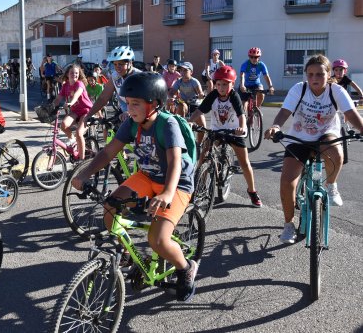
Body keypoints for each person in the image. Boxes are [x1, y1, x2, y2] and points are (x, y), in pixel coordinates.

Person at [72, 72, 198, 302]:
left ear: (155, 103)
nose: (130, 109)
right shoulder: (132, 124)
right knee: (110, 209)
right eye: (128, 103)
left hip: (176, 182)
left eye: (136, 104)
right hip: (148, 176)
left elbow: (175, 163)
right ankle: (131, 258)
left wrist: (168, 193)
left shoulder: (167, 124)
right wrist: (85, 173)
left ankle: (186, 266)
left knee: (157, 240)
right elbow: (109, 151)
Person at [264, 54, 363, 244]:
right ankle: (288, 225)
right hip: (299, 138)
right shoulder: (299, 89)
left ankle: (331, 186)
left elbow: (351, 114)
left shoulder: (336, 91)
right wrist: (276, 126)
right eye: (310, 74)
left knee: (334, 151)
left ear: (328, 74)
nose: (314, 79)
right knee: (287, 182)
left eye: (319, 74)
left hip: (326, 134)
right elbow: (285, 111)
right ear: (306, 75)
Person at [189, 65, 262, 207]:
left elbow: (241, 114)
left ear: (232, 84)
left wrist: (241, 127)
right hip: (216, 131)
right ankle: (199, 185)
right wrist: (190, 121)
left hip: (234, 131)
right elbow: (200, 110)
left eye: (225, 84)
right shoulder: (213, 95)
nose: (221, 87)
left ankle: (252, 191)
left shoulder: (234, 96)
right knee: (203, 155)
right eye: (218, 84)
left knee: (244, 162)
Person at [84, 45, 141, 122]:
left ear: (130, 63)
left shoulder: (139, 77)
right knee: (110, 127)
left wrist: (130, 112)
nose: (117, 67)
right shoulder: (115, 76)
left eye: (120, 64)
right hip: (124, 113)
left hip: (139, 113)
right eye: (115, 64)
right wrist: (88, 115)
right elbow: (103, 98)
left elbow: (142, 101)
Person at [52, 63, 93, 159]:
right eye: (72, 73)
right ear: (67, 74)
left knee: (79, 133)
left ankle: (81, 161)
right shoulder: (65, 85)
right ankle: (73, 141)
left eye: (76, 73)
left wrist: (71, 103)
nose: (74, 75)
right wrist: (51, 105)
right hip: (75, 112)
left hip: (86, 111)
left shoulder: (80, 83)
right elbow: (58, 99)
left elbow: (77, 94)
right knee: (63, 125)